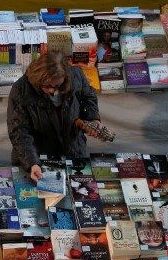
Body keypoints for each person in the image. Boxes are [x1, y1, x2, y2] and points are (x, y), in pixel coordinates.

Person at [7, 50, 107, 182]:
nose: (51, 90)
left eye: (57, 86)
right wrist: (32, 163)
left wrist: (92, 118)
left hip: (73, 149)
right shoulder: (21, 89)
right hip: (38, 155)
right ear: (38, 78)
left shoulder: (76, 75)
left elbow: (89, 96)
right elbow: (19, 131)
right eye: (46, 85)